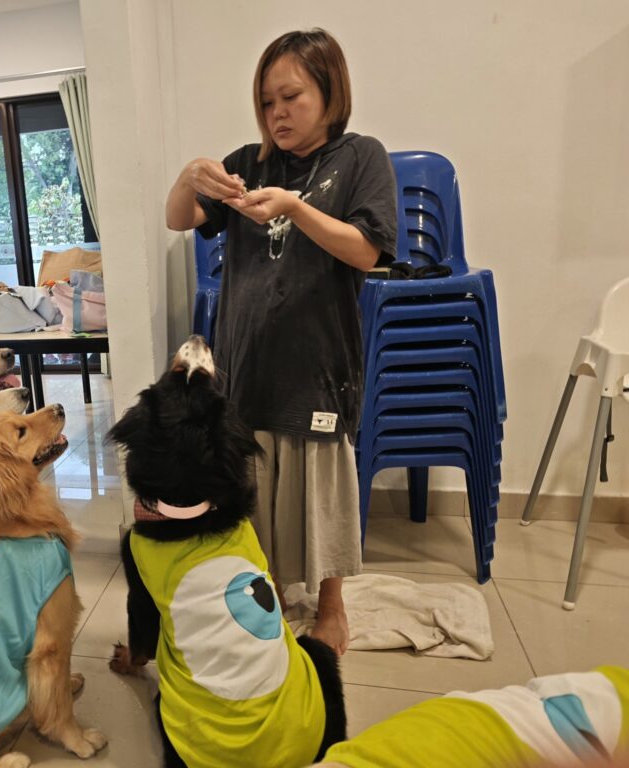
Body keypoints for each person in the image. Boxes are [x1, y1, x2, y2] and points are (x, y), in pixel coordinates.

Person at [165, 29, 397, 655]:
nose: (278, 114)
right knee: (253, 485)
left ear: (330, 92)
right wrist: (189, 177)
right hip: (246, 361)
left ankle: (331, 606)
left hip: (319, 362)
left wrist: (294, 208)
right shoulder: (249, 161)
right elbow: (179, 218)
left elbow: (367, 250)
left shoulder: (361, 157)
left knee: (321, 485)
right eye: (267, 102)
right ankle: (261, 590)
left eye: (291, 97)